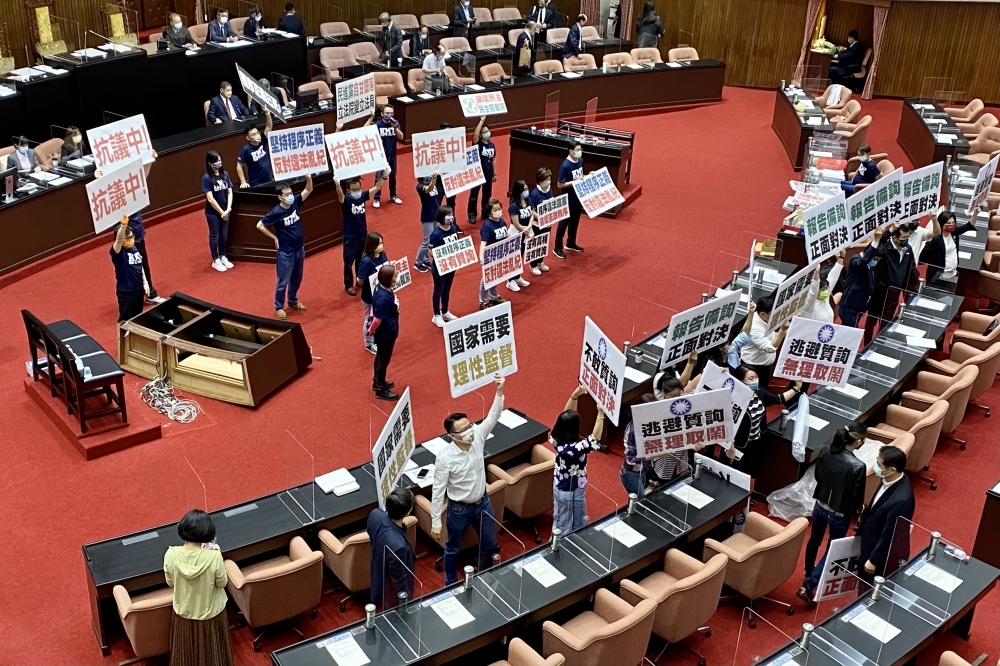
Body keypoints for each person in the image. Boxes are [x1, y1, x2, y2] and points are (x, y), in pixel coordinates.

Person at [431, 374, 506, 585]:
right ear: (452, 436)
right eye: (463, 430)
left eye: (469, 425)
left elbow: (493, 417)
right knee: (452, 549)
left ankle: (483, 575)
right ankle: (450, 584)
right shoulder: (445, 458)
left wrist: (498, 392)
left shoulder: (478, 436)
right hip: (458, 509)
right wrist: (436, 520)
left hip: (483, 503)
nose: (469, 431)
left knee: (490, 543)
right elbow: (438, 490)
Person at [797, 423, 868, 605]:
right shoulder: (858, 466)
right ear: (859, 441)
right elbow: (856, 497)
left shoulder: (826, 451)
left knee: (814, 539)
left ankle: (808, 571)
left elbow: (818, 476)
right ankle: (809, 585)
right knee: (832, 550)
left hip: (819, 505)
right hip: (839, 513)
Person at [163, 509, 234, 666]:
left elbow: (170, 583)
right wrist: (214, 553)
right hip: (212, 616)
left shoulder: (171, 554)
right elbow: (222, 583)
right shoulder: (214, 555)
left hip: (184, 615)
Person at [97, 152, 165, 304]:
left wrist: (149, 160)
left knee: (142, 262)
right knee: (125, 268)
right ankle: (131, 297)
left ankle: (150, 293)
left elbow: (143, 178)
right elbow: (102, 190)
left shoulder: (132, 189)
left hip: (137, 232)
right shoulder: (113, 194)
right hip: (123, 236)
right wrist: (99, 178)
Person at [856, 445, 915, 587]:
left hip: (879, 556)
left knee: (868, 590)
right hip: (868, 542)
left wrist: (874, 560)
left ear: (891, 470)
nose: (875, 466)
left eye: (879, 464)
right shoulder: (888, 479)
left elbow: (891, 534)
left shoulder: (901, 499)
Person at [256, 175, 314, 319]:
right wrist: (274, 237)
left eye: (290, 193)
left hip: (299, 248)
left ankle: (293, 301)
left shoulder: (295, 203)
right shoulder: (276, 212)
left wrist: (308, 178)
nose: (290, 196)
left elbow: (308, 189)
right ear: (280, 198)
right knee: (283, 281)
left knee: (297, 278)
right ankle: (279, 306)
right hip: (286, 252)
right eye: (287, 195)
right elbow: (260, 225)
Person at [551, 386, 606, 534]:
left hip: (561, 485)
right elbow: (595, 438)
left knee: (562, 518)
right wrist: (600, 413)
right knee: (568, 525)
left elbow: (564, 415)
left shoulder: (555, 438)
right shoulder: (575, 449)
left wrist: (574, 396)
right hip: (571, 489)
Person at [731, 365, 802, 476]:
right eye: (751, 379)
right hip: (739, 445)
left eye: (756, 377)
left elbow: (778, 399)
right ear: (740, 381)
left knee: (752, 472)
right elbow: (727, 426)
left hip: (756, 441)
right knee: (737, 474)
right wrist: (730, 447)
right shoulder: (734, 399)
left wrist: (796, 388)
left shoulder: (760, 392)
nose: (755, 381)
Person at [336, 168, 389, 296]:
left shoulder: (362, 197)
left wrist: (384, 176)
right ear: (348, 190)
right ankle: (348, 285)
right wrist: (337, 184)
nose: (356, 192)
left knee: (361, 260)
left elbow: (376, 188)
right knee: (348, 263)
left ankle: (361, 281)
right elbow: (340, 196)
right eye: (353, 190)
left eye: (358, 189)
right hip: (350, 237)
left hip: (363, 236)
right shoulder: (346, 201)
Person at [866, 222, 920, 343]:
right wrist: (889, 231)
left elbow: (910, 268)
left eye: (907, 237)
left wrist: (915, 285)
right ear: (895, 237)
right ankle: (866, 345)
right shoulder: (886, 247)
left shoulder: (908, 249)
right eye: (903, 238)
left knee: (886, 323)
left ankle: (880, 345)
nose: (906, 240)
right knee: (871, 322)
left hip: (894, 293)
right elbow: (879, 242)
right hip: (880, 291)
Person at [368, 487, 415, 607]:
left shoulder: (375, 515)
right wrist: (406, 602)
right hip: (391, 597)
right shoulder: (398, 546)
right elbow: (399, 580)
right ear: (408, 512)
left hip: (377, 575)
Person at [738, 294, 789, 389]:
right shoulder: (754, 327)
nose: (776, 317)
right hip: (752, 367)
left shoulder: (766, 320)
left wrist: (789, 328)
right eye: (773, 314)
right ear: (762, 314)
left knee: (763, 389)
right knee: (753, 394)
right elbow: (770, 348)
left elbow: (774, 337)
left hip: (764, 365)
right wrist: (782, 330)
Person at [368, 264, 401, 400]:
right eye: (395, 276)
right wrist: (370, 330)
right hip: (386, 333)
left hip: (386, 330)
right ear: (388, 279)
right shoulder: (383, 298)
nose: (397, 278)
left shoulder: (380, 287)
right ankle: (380, 389)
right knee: (383, 359)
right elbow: (377, 319)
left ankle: (377, 381)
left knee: (380, 357)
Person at [920, 209, 976, 286]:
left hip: (953, 274)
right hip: (938, 276)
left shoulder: (954, 233)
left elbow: (968, 226)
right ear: (942, 224)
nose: (951, 225)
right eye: (948, 223)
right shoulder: (936, 239)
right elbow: (922, 258)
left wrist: (975, 214)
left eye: (953, 223)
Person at [839, 236, 884, 327]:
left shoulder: (869, 265)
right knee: (850, 335)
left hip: (860, 307)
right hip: (849, 308)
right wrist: (875, 242)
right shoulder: (856, 260)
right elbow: (862, 262)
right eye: (874, 259)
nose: (875, 262)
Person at [110, 217, 149, 322]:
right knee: (125, 321)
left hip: (138, 289)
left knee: (137, 319)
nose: (131, 240)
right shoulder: (118, 253)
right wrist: (123, 226)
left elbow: (139, 265)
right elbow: (118, 240)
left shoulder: (134, 248)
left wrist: (145, 283)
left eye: (132, 237)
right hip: (127, 292)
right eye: (127, 238)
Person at [202, 150, 234, 272]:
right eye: (216, 161)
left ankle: (222, 255)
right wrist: (221, 212)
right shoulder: (206, 178)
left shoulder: (225, 174)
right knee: (215, 235)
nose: (219, 163)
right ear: (210, 163)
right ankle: (215, 260)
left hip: (226, 210)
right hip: (213, 213)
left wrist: (228, 208)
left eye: (220, 160)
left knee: (224, 235)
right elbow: (210, 198)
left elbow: (230, 191)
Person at [429, 206, 461, 326]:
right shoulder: (436, 234)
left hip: (451, 265)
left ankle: (445, 311)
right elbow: (430, 250)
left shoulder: (453, 228)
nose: (450, 217)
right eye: (447, 215)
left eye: (451, 214)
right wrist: (440, 259)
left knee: (447, 289)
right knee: (438, 291)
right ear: (441, 217)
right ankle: (436, 315)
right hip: (439, 268)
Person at [554, 142, 585, 258]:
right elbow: (560, 184)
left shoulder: (580, 161)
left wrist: (588, 176)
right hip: (568, 198)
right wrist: (574, 182)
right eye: (577, 150)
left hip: (578, 198)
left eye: (580, 149)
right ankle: (557, 247)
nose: (579, 152)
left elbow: (580, 177)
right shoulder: (565, 166)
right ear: (570, 151)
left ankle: (571, 242)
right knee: (563, 224)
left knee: (575, 222)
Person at [359, 232, 388, 354]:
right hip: (370, 297)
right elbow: (359, 281)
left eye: (382, 243)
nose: (381, 246)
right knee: (370, 319)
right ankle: (369, 343)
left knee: (381, 317)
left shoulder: (382, 255)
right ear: (371, 246)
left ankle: (378, 338)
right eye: (378, 244)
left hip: (382, 295)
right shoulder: (366, 262)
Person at [467, 116, 497, 225]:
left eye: (488, 131)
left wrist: (495, 173)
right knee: (474, 195)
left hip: (488, 173)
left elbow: (493, 160)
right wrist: (482, 121)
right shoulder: (478, 144)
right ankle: (472, 215)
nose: (487, 133)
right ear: (481, 134)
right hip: (477, 173)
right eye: (484, 132)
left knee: (487, 194)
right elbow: (475, 135)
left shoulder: (492, 145)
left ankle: (485, 212)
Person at [478, 199, 508, 309]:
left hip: (500, 254)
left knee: (495, 276)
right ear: (489, 211)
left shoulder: (502, 221)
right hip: (490, 256)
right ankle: (483, 301)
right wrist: (482, 257)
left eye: (500, 209)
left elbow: (506, 234)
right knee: (486, 279)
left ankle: (494, 297)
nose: (499, 211)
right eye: (495, 210)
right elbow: (483, 243)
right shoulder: (487, 226)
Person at [621, 395, 653, 496]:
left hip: (643, 470)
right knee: (639, 502)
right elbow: (630, 460)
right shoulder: (632, 431)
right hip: (632, 474)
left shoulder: (648, 425)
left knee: (639, 499)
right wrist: (653, 455)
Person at [507, 179, 535, 292]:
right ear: (518, 191)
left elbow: (532, 213)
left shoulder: (528, 200)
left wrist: (529, 227)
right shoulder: (514, 205)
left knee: (521, 255)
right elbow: (516, 223)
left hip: (526, 231)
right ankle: (510, 281)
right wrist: (527, 231)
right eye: (524, 190)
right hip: (516, 233)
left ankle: (517, 277)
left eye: (527, 189)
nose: (527, 191)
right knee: (514, 257)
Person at [374, 105, 403, 208]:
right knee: (379, 177)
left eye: (391, 113)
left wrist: (395, 127)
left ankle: (393, 196)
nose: (389, 115)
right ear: (382, 114)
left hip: (393, 154)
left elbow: (401, 137)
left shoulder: (395, 123)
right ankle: (376, 198)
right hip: (381, 156)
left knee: (393, 177)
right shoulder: (377, 125)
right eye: (387, 113)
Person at [800, 256, 844, 323]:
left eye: (826, 289)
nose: (826, 291)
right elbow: (813, 291)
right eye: (823, 289)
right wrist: (817, 272)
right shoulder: (809, 305)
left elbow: (833, 276)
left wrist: (842, 257)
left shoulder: (825, 300)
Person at [415, 172, 444, 274]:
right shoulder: (420, 187)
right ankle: (418, 262)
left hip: (435, 216)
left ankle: (426, 260)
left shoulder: (432, 183)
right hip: (427, 217)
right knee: (427, 241)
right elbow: (429, 189)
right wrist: (434, 178)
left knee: (432, 239)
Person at [527, 167, 553, 275]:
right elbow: (531, 211)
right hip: (537, 224)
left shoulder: (549, 190)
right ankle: (533, 265)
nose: (548, 182)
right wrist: (541, 218)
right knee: (535, 245)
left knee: (543, 243)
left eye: (549, 179)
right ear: (540, 181)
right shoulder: (534, 194)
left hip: (547, 223)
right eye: (545, 180)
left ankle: (540, 261)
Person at [237, 110, 273, 187]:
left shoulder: (263, 140)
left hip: (268, 179)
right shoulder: (245, 149)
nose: (257, 135)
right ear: (248, 137)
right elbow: (239, 166)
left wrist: (267, 113)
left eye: (257, 133)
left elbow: (269, 126)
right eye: (253, 134)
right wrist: (243, 182)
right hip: (256, 183)